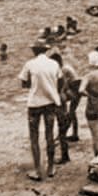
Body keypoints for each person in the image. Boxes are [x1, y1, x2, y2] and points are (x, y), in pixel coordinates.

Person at [18, 40, 62, 181]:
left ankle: (37, 169)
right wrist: (53, 89)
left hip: (34, 103)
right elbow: (60, 81)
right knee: (49, 135)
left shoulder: (30, 64)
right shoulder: (54, 64)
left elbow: (24, 83)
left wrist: (34, 84)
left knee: (34, 137)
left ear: (34, 51)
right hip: (50, 102)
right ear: (45, 50)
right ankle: (50, 167)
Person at [50, 53, 81, 163]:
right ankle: (74, 134)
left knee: (68, 115)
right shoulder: (63, 69)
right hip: (73, 93)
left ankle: (65, 152)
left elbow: (69, 84)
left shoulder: (64, 70)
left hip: (75, 93)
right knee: (70, 114)